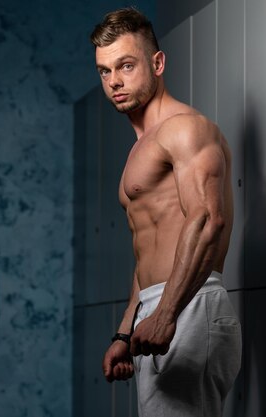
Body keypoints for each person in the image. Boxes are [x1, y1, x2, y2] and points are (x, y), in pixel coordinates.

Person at [90, 7, 241, 417]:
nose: (115, 81)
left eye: (126, 65)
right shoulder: (143, 145)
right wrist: (126, 329)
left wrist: (167, 313)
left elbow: (208, 219)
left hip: (187, 300)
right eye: (105, 71)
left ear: (157, 63)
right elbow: (149, 250)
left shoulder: (186, 128)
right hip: (161, 304)